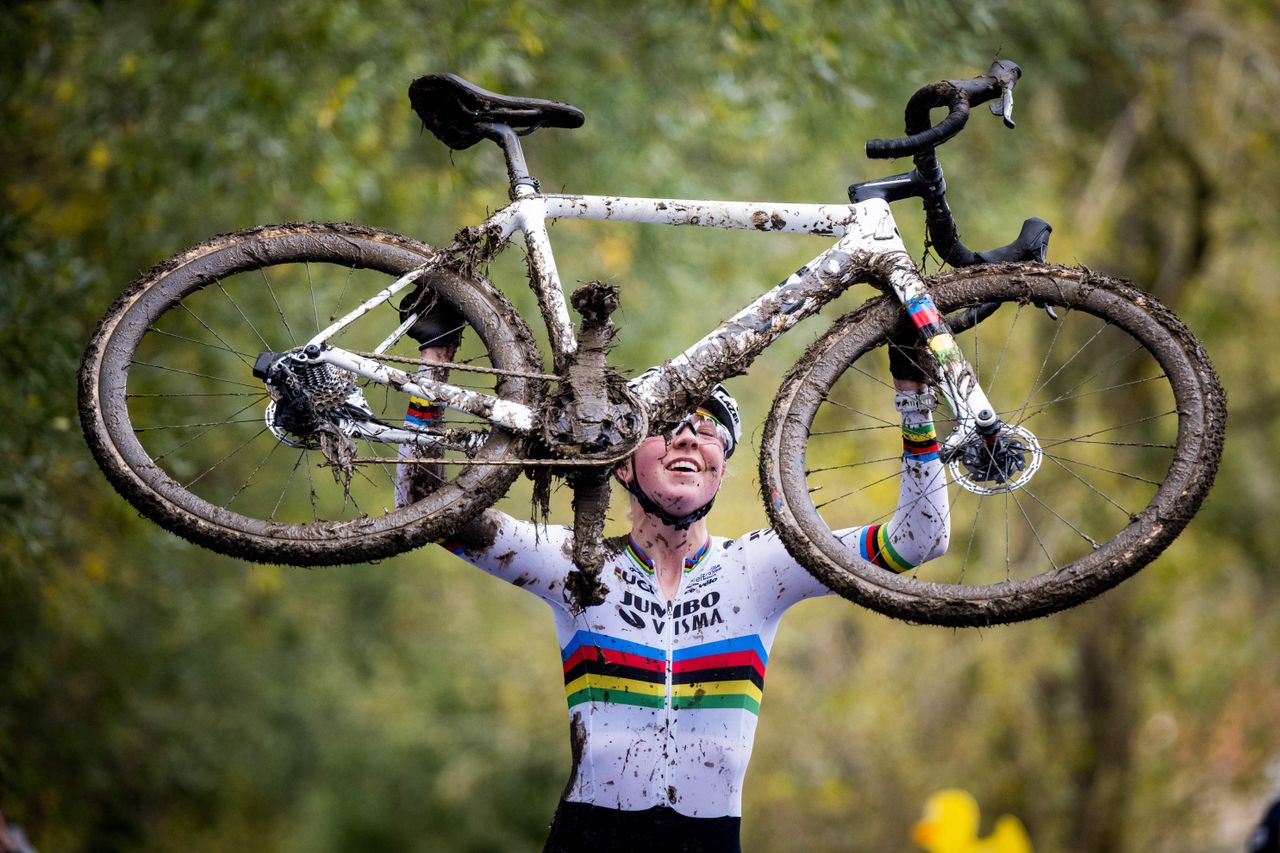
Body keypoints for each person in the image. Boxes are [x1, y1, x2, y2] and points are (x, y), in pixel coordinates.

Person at [395, 295, 950, 852]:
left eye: (709, 429)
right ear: (620, 463)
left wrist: (913, 391)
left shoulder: (760, 568)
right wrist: (434, 356)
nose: (688, 436)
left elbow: (919, 538)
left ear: (722, 469)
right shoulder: (577, 563)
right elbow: (425, 508)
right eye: (666, 425)